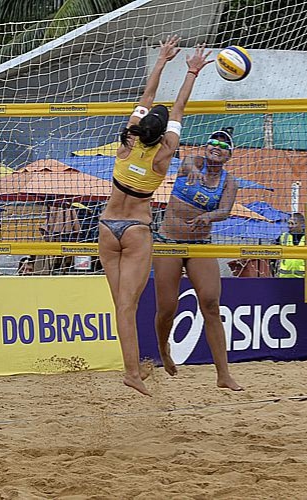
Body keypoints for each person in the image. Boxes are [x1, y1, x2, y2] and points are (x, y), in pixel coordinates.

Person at [98, 37, 212, 396]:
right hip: (135, 230)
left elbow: (148, 98)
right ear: (162, 134)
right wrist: (192, 71)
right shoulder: (163, 156)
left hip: (106, 226)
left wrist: (162, 60)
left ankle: (134, 368)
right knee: (127, 305)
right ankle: (132, 372)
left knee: (122, 306)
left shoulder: (127, 142)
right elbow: (178, 107)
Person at [153, 127, 242, 391]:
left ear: (229, 156)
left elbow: (225, 210)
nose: (217, 145)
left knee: (211, 303)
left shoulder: (229, 181)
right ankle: (163, 348)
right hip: (168, 241)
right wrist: (191, 167)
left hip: (200, 244)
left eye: (223, 145)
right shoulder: (192, 162)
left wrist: (208, 217)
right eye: (213, 141)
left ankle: (223, 374)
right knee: (167, 308)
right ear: (206, 147)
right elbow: (188, 161)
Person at [275, 212, 305, 278]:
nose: (290, 226)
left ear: (302, 224)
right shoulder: (283, 237)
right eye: (289, 223)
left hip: (303, 278)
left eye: (293, 223)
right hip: (285, 277)